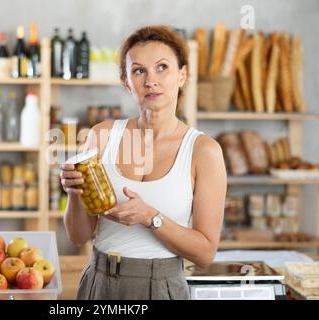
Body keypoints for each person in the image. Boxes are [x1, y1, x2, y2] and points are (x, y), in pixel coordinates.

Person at [60, 25, 227, 300]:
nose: (151, 80)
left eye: (162, 67)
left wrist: (150, 217)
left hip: (160, 286)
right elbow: (79, 237)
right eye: (139, 71)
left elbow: (205, 253)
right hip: (98, 283)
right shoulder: (101, 136)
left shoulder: (203, 151)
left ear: (182, 75)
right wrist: (74, 194)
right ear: (126, 80)